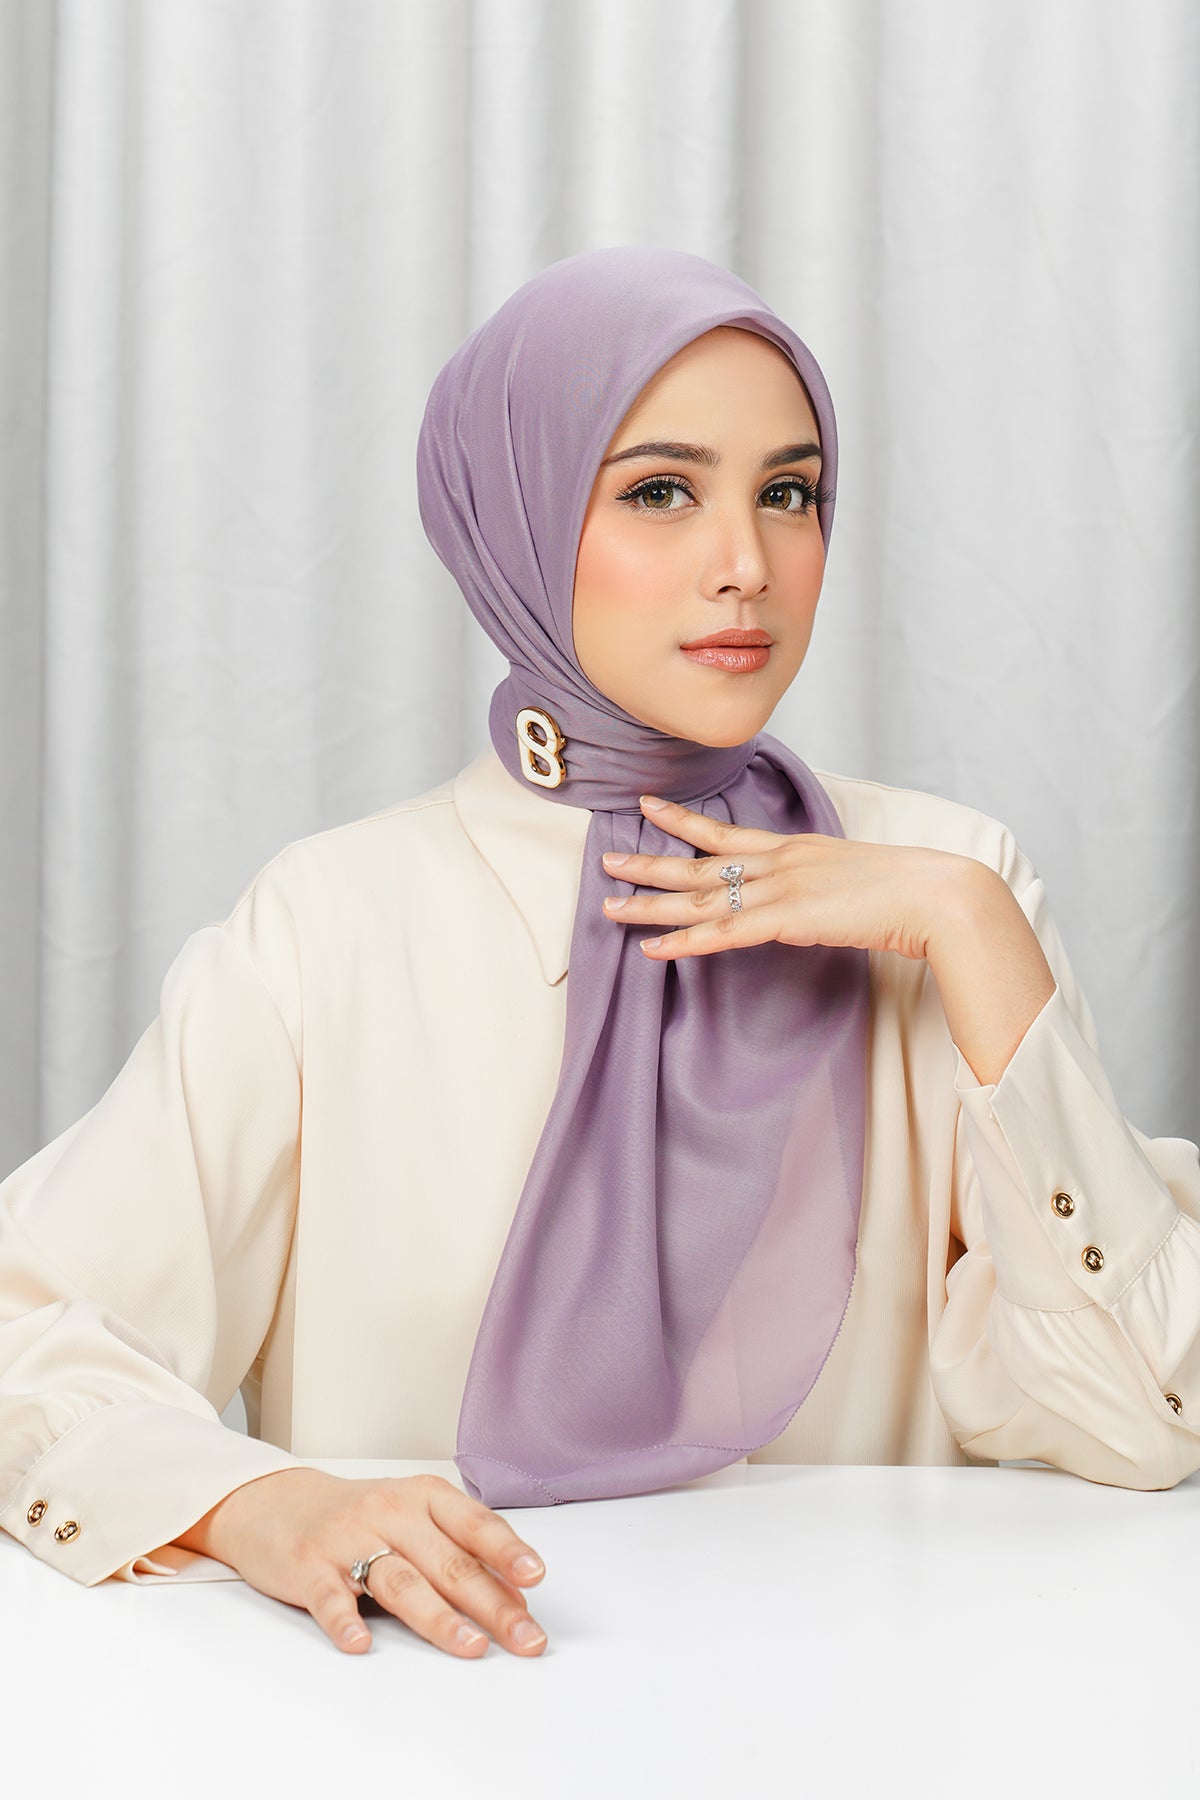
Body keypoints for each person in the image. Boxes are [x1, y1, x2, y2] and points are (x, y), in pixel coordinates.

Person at [3, 247, 1199, 1666]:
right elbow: (27, 1329)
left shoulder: (945, 883)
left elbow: (1141, 1417)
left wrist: (972, 930)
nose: (746, 563)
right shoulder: (330, 930)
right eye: (660, 492)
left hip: (863, 1706)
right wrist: (258, 1505)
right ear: (514, 518)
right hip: (436, 1714)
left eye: (790, 493)